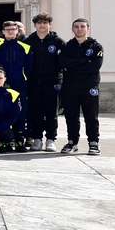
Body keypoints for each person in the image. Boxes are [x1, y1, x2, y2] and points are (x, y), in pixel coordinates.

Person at [58, 18, 104, 155]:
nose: (79, 29)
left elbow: (95, 65)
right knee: (71, 116)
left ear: (88, 28)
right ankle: (72, 142)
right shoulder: (67, 46)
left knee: (91, 116)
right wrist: (84, 61)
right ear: (72, 29)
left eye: (82, 26)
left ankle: (93, 142)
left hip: (89, 86)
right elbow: (62, 63)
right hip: (70, 87)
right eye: (76, 27)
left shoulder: (96, 46)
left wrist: (72, 65)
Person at [24, 12, 66, 152]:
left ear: (50, 24)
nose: (42, 25)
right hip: (34, 82)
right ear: (35, 25)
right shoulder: (28, 42)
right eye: (39, 22)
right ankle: (37, 139)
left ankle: (50, 139)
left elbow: (64, 62)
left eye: (45, 22)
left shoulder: (58, 42)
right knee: (35, 111)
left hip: (52, 83)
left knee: (51, 112)